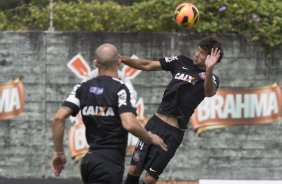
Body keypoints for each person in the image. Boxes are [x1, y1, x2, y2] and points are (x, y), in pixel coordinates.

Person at [51, 43, 167, 184]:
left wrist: (59, 153)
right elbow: (129, 124)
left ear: (95, 63)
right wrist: (151, 138)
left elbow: (58, 118)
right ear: (119, 61)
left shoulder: (82, 88)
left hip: (89, 161)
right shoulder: (121, 89)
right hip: (109, 162)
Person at [122, 36, 224, 184]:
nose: (196, 54)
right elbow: (147, 64)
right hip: (155, 124)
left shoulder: (212, 78)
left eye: (201, 53)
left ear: (210, 58)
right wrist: (122, 59)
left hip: (173, 133)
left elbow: (209, 92)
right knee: (134, 169)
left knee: (150, 179)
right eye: (198, 50)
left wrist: (209, 69)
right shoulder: (181, 61)